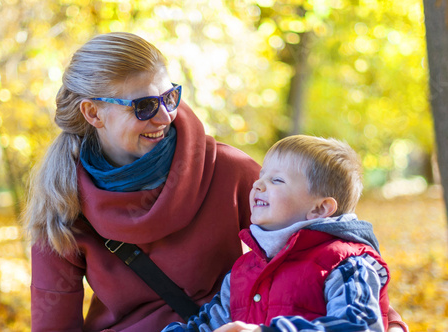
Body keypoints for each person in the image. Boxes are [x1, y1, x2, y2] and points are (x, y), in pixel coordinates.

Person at [24, 32, 406, 332]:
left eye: (169, 97)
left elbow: (325, 247)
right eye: (144, 107)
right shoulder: (60, 201)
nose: (164, 117)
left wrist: (389, 324)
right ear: (93, 113)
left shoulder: (229, 171)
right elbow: (54, 323)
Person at [162, 135, 408, 332]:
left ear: (320, 208)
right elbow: (207, 324)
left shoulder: (345, 264)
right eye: (261, 177)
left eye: (277, 180)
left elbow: (360, 326)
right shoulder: (245, 269)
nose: (258, 185)